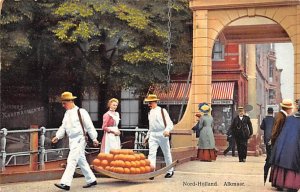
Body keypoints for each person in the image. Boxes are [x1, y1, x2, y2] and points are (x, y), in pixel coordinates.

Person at [52, 92, 99, 191]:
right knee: (81, 160)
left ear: (70, 101)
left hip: (80, 139)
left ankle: (65, 183)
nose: (63, 105)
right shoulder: (67, 113)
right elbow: (63, 126)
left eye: (64, 103)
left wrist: (94, 138)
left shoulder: (81, 112)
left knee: (72, 160)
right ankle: (91, 179)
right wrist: (57, 136)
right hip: (72, 140)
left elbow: (89, 126)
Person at [269, 100, 300, 192]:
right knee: (294, 162)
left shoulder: (289, 118)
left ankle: (280, 183)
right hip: (295, 147)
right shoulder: (286, 117)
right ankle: (292, 184)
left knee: (283, 161)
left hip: (283, 145)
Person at [143, 94, 174, 178]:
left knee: (166, 153)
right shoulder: (150, 113)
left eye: (150, 103)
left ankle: (170, 171)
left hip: (162, 134)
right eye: (148, 103)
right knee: (151, 154)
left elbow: (170, 123)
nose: (149, 105)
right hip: (153, 135)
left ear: (154, 102)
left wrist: (167, 130)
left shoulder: (162, 111)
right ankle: (151, 171)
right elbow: (151, 126)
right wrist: (147, 137)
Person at [260, 107, 274, 183]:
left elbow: (261, 127)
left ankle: (268, 158)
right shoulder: (274, 119)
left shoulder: (265, 119)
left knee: (268, 151)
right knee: (271, 152)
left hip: (266, 139)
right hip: (273, 139)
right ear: (272, 112)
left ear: (267, 111)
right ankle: (269, 159)